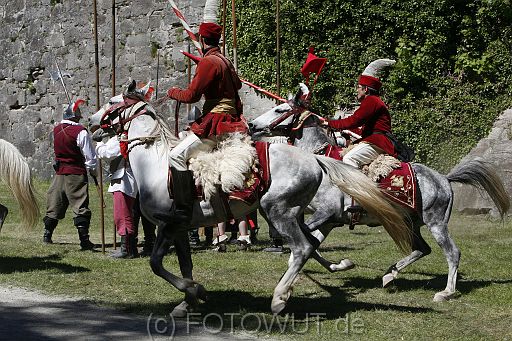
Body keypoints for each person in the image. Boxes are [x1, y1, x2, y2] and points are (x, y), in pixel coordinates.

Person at [165, 21, 246, 230]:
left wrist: (172, 92)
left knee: (175, 155)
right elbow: (237, 85)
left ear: (201, 40)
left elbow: (191, 96)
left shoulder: (209, 62)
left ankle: (183, 209)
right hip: (231, 119)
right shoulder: (225, 61)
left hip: (216, 122)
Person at [326, 59, 396, 211]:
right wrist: (343, 131)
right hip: (373, 140)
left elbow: (354, 120)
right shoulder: (373, 101)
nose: (356, 90)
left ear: (366, 89)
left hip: (378, 143)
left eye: (358, 87)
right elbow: (361, 128)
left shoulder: (372, 101)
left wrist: (330, 123)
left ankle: (362, 198)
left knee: (349, 158)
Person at [43, 99, 97, 250]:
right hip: (75, 173)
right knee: (80, 205)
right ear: (74, 116)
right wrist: (92, 169)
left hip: (60, 172)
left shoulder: (56, 129)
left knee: (55, 202)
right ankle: (84, 241)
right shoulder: (80, 132)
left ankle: (47, 234)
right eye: (78, 116)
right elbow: (90, 156)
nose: (80, 119)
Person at [96, 134, 139, 258]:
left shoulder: (122, 137)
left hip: (124, 179)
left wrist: (99, 143)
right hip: (123, 178)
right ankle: (130, 248)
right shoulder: (123, 136)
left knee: (123, 216)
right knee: (123, 215)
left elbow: (107, 154)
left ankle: (127, 250)